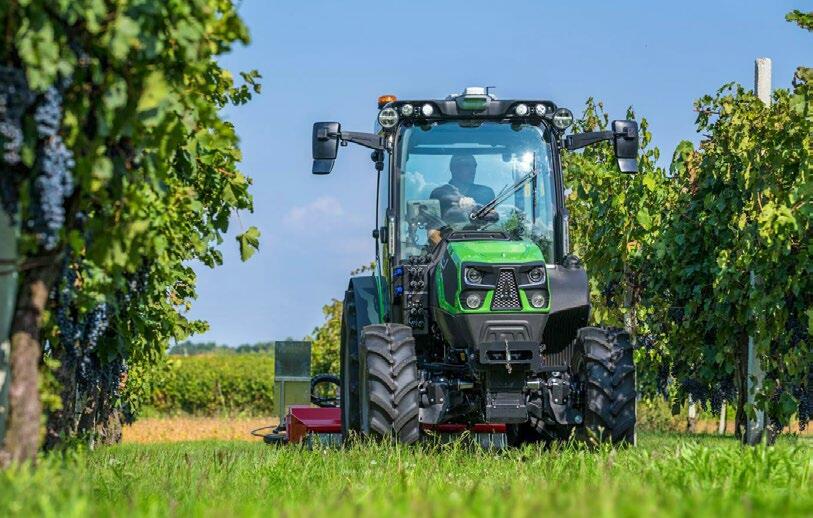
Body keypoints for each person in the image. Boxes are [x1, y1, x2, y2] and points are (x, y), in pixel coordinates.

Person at [429, 154, 495, 223]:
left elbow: (492, 221)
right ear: (453, 168)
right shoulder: (439, 194)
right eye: (467, 165)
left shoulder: (486, 193)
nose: (473, 170)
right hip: (447, 233)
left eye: (474, 166)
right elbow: (432, 227)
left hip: (484, 234)